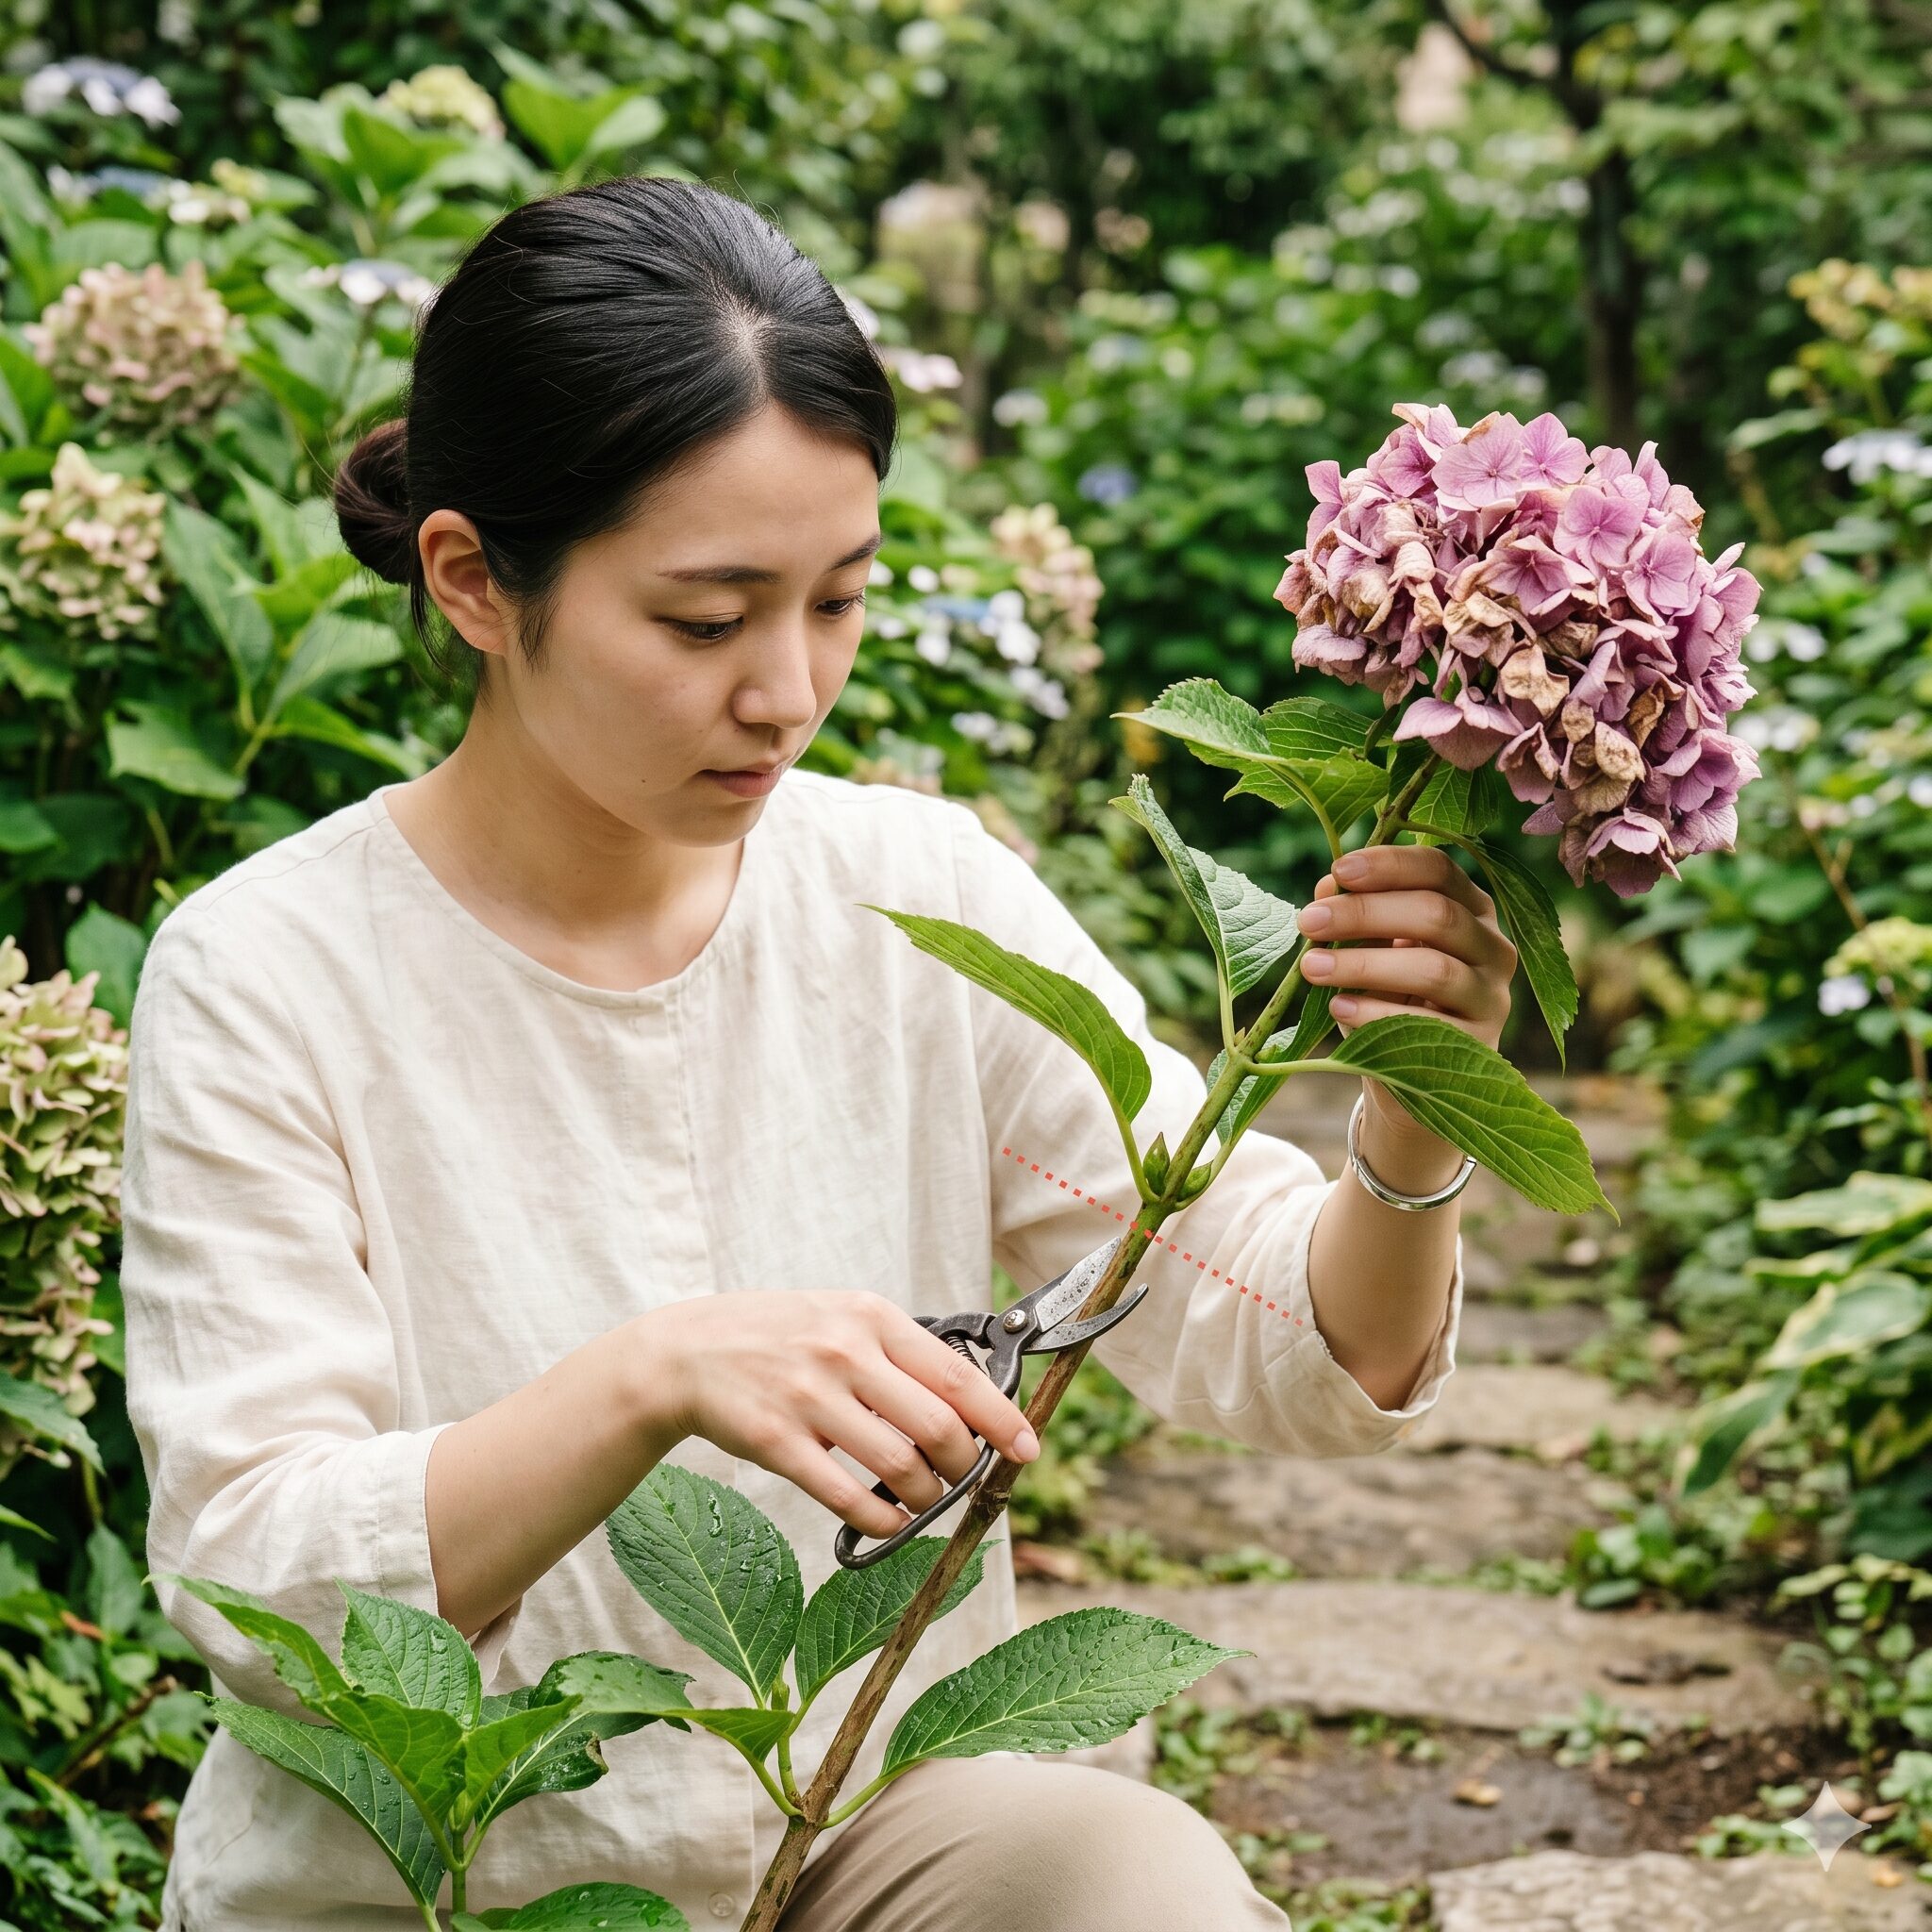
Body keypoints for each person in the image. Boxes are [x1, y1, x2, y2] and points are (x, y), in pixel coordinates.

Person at [120, 175, 1517, 1931]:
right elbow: (262, 1578)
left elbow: (1303, 1348)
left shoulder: (912, 900)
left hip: (851, 1839)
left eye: (838, 601)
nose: (788, 690)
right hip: (435, 1883)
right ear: (473, 578)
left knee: (1129, 1878)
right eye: (707, 620)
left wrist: (1411, 1118)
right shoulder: (270, 970)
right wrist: (650, 1378)